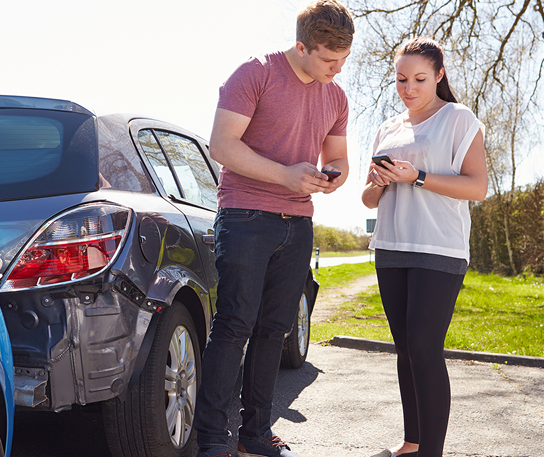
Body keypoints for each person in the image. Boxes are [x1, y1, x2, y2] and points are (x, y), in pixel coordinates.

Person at [193, 2, 355, 456]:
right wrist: (285, 175)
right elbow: (222, 145)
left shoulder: (335, 96)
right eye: (328, 60)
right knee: (235, 324)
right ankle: (210, 440)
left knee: (275, 329)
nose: (337, 69)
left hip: (299, 221)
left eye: (343, 60)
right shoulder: (255, 74)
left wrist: (333, 175)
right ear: (301, 46)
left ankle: (256, 436)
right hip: (246, 215)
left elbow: (339, 157)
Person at [362, 37, 488, 457]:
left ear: (439, 75)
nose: (408, 87)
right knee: (405, 348)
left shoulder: (458, 118)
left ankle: (430, 452)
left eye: (418, 78)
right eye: (401, 79)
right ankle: (411, 444)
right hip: (391, 246)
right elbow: (367, 198)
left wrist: (417, 176)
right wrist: (379, 183)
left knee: (422, 343)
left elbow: (477, 187)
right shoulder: (388, 127)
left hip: (440, 248)